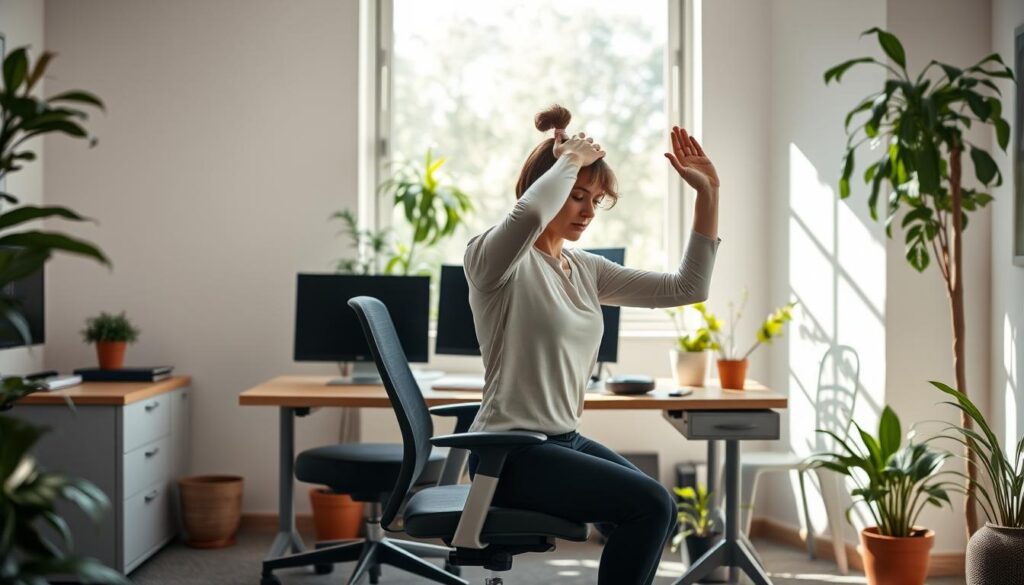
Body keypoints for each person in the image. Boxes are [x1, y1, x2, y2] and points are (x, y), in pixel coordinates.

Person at [463, 104, 720, 585]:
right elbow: (528, 213)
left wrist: (709, 193)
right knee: (651, 505)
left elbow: (689, 288)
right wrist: (568, 159)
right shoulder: (491, 260)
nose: (587, 211)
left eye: (596, 201)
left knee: (653, 510)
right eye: (577, 195)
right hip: (512, 452)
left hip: (564, 440)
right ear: (549, 185)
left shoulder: (585, 268)